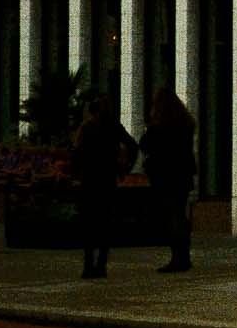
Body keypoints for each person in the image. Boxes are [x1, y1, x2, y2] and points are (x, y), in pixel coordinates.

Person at [71, 108, 136, 278]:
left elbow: (77, 153)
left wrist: (76, 174)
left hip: (89, 179)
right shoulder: (114, 128)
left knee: (88, 223)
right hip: (107, 179)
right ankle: (101, 263)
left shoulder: (87, 128)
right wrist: (125, 168)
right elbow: (132, 145)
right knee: (105, 223)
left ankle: (88, 264)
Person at [139, 89, 197, 273]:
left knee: (172, 216)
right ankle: (183, 256)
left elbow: (145, 144)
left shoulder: (160, 126)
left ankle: (178, 258)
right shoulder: (185, 124)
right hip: (182, 175)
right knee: (179, 214)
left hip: (166, 176)